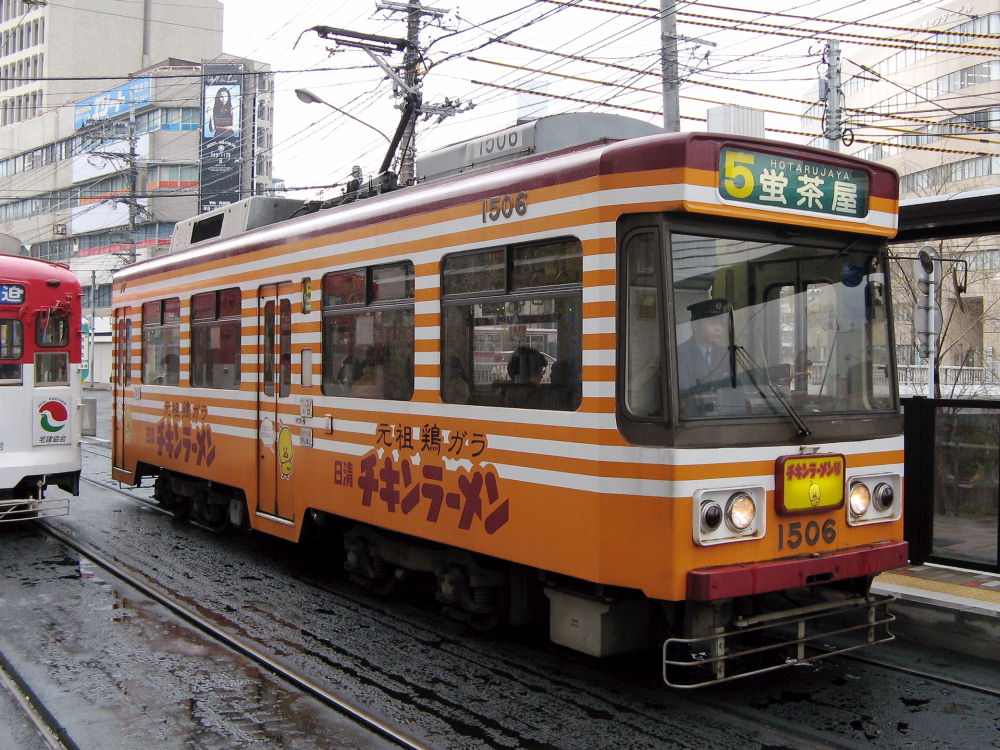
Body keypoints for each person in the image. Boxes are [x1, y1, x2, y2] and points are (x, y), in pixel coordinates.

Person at [677, 298, 741, 415]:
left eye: (721, 324)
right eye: (712, 323)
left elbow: (733, 389)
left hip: (723, 416)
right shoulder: (680, 354)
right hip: (694, 418)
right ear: (695, 326)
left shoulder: (724, 353)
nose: (718, 329)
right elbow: (684, 396)